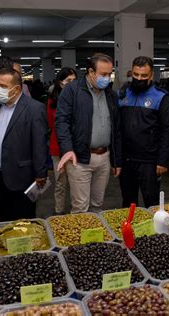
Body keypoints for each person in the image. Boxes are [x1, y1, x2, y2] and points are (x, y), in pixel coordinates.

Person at [0, 68, 48, 222]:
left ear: (16, 89)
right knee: (0, 219)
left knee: (22, 221)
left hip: (21, 176)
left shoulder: (34, 109)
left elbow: (39, 144)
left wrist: (41, 173)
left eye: (3, 86)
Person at [55, 53, 122, 213]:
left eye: (109, 74)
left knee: (97, 205)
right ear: (91, 72)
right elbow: (62, 122)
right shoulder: (72, 91)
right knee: (80, 207)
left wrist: (116, 159)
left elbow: (116, 129)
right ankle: (80, 238)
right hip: (80, 158)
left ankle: (95, 238)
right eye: (103, 74)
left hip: (104, 158)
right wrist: (68, 149)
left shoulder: (111, 95)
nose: (107, 78)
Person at [118, 56, 169, 207]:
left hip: (149, 161)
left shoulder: (161, 97)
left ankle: (155, 231)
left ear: (151, 76)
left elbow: (167, 130)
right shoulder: (123, 94)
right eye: (136, 75)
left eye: (143, 76)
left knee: (152, 202)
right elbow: (117, 127)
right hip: (126, 160)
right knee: (128, 202)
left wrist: (162, 160)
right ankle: (129, 229)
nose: (139, 79)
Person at [47, 67, 77, 214]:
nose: (71, 83)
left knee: (76, 183)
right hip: (58, 148)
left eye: (74, 80)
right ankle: (59, 212)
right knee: (60, 182)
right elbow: (52, 123)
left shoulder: (80, 98)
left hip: (76, 148)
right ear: (60, 83)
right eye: (68, 81)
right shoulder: (52, 101)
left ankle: (76, 212)